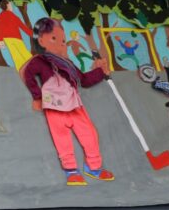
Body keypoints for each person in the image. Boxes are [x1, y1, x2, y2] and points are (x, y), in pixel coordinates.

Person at [21, 17, 115, 186]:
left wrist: (101, 71)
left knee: (90, 134)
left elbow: (84, 80)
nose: (61, 44)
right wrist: (37, 97)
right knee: (62, 139)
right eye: (54, 38)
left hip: (75, 106)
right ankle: (71, 170)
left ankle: (93, 167)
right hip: (54, 107)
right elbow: (28, 75)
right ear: (41, 41)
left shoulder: (68, 64)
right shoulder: (40, 61)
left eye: (63, 41)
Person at [0, 0, 32, 71]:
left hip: (7, 40)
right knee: (24, 53)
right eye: (10, 5)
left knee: (16, 56)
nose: (11, 6)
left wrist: (0, 40)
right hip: (16, 38)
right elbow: (22, 26)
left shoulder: (0, 16)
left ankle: (22, 71)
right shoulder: (12, 15)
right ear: (7, 5)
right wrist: (32, 34)